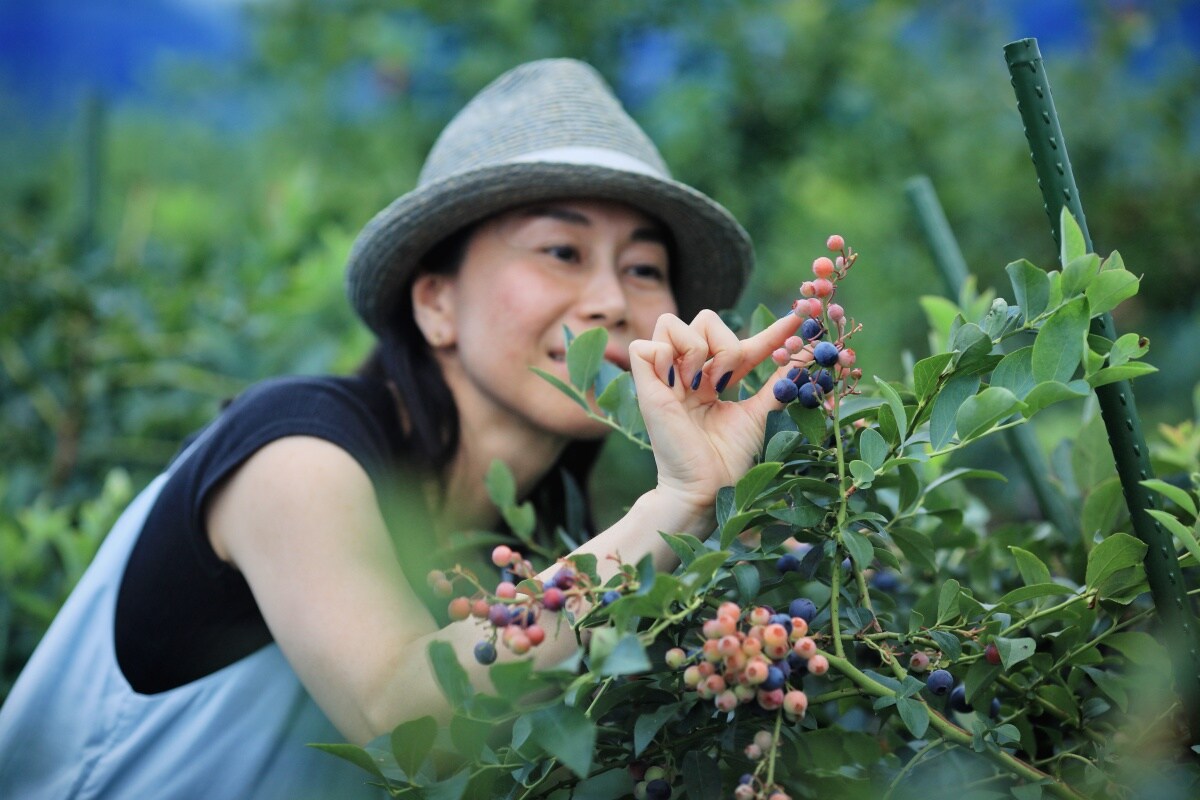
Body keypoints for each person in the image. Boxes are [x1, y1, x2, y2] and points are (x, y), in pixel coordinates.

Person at [0, 58, 801, 798]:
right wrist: (678, 502)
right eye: (561, 250)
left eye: (642, 268)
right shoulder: (295, 451)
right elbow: (400, 713)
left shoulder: (544, 542)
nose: (611, 300)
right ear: (436, 303)